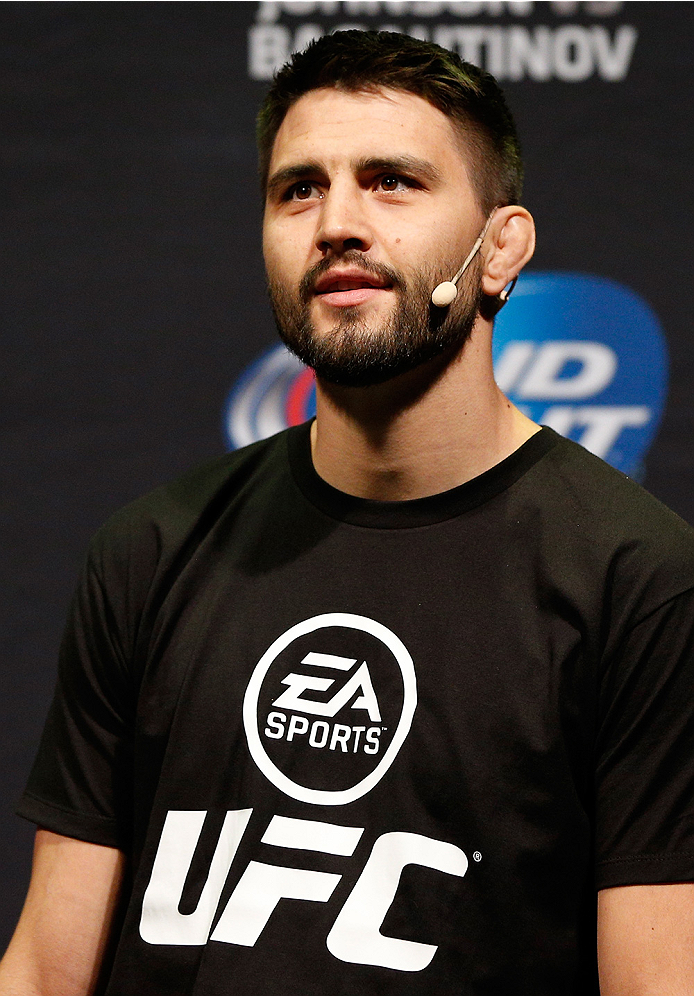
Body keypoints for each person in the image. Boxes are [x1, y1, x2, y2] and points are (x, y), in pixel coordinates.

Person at [2, 28, 694, 996]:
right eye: (299, 189)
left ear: (501, 249)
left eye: (391, 182)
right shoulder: (147, 552)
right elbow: (42, 971)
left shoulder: (640, 583)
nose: (336, 223)